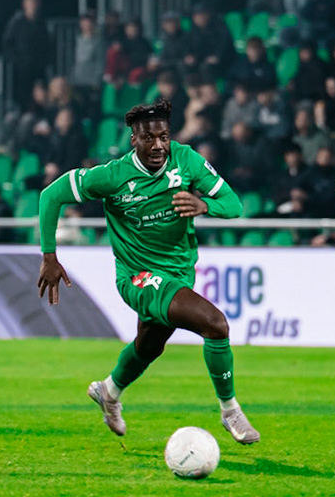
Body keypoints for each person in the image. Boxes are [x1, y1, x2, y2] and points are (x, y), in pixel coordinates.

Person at [34, 99, 259, 447]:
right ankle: (229, 410)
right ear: (133, 140)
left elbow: (234, 205)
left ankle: (108, 391)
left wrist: (205, 205)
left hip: (179, 271)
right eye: (149, 138)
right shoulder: (111, 176)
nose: (158, 146)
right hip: (137, 276)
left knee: (150, 345)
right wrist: (49, 256)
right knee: (215, 324)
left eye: (164, 137)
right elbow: (51, 195)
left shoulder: (187, 161)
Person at [1, 0, 52, 101]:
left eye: (35, 1)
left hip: (38, 70)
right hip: (21, 71)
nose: (32, 4)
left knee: (40, 98)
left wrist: (45, 61)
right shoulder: (16, 23)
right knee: (22, 99)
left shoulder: (42, 24)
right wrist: (17, 60)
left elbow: (47, 45)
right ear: (24, 4)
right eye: (30, 1)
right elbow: (7, 44)